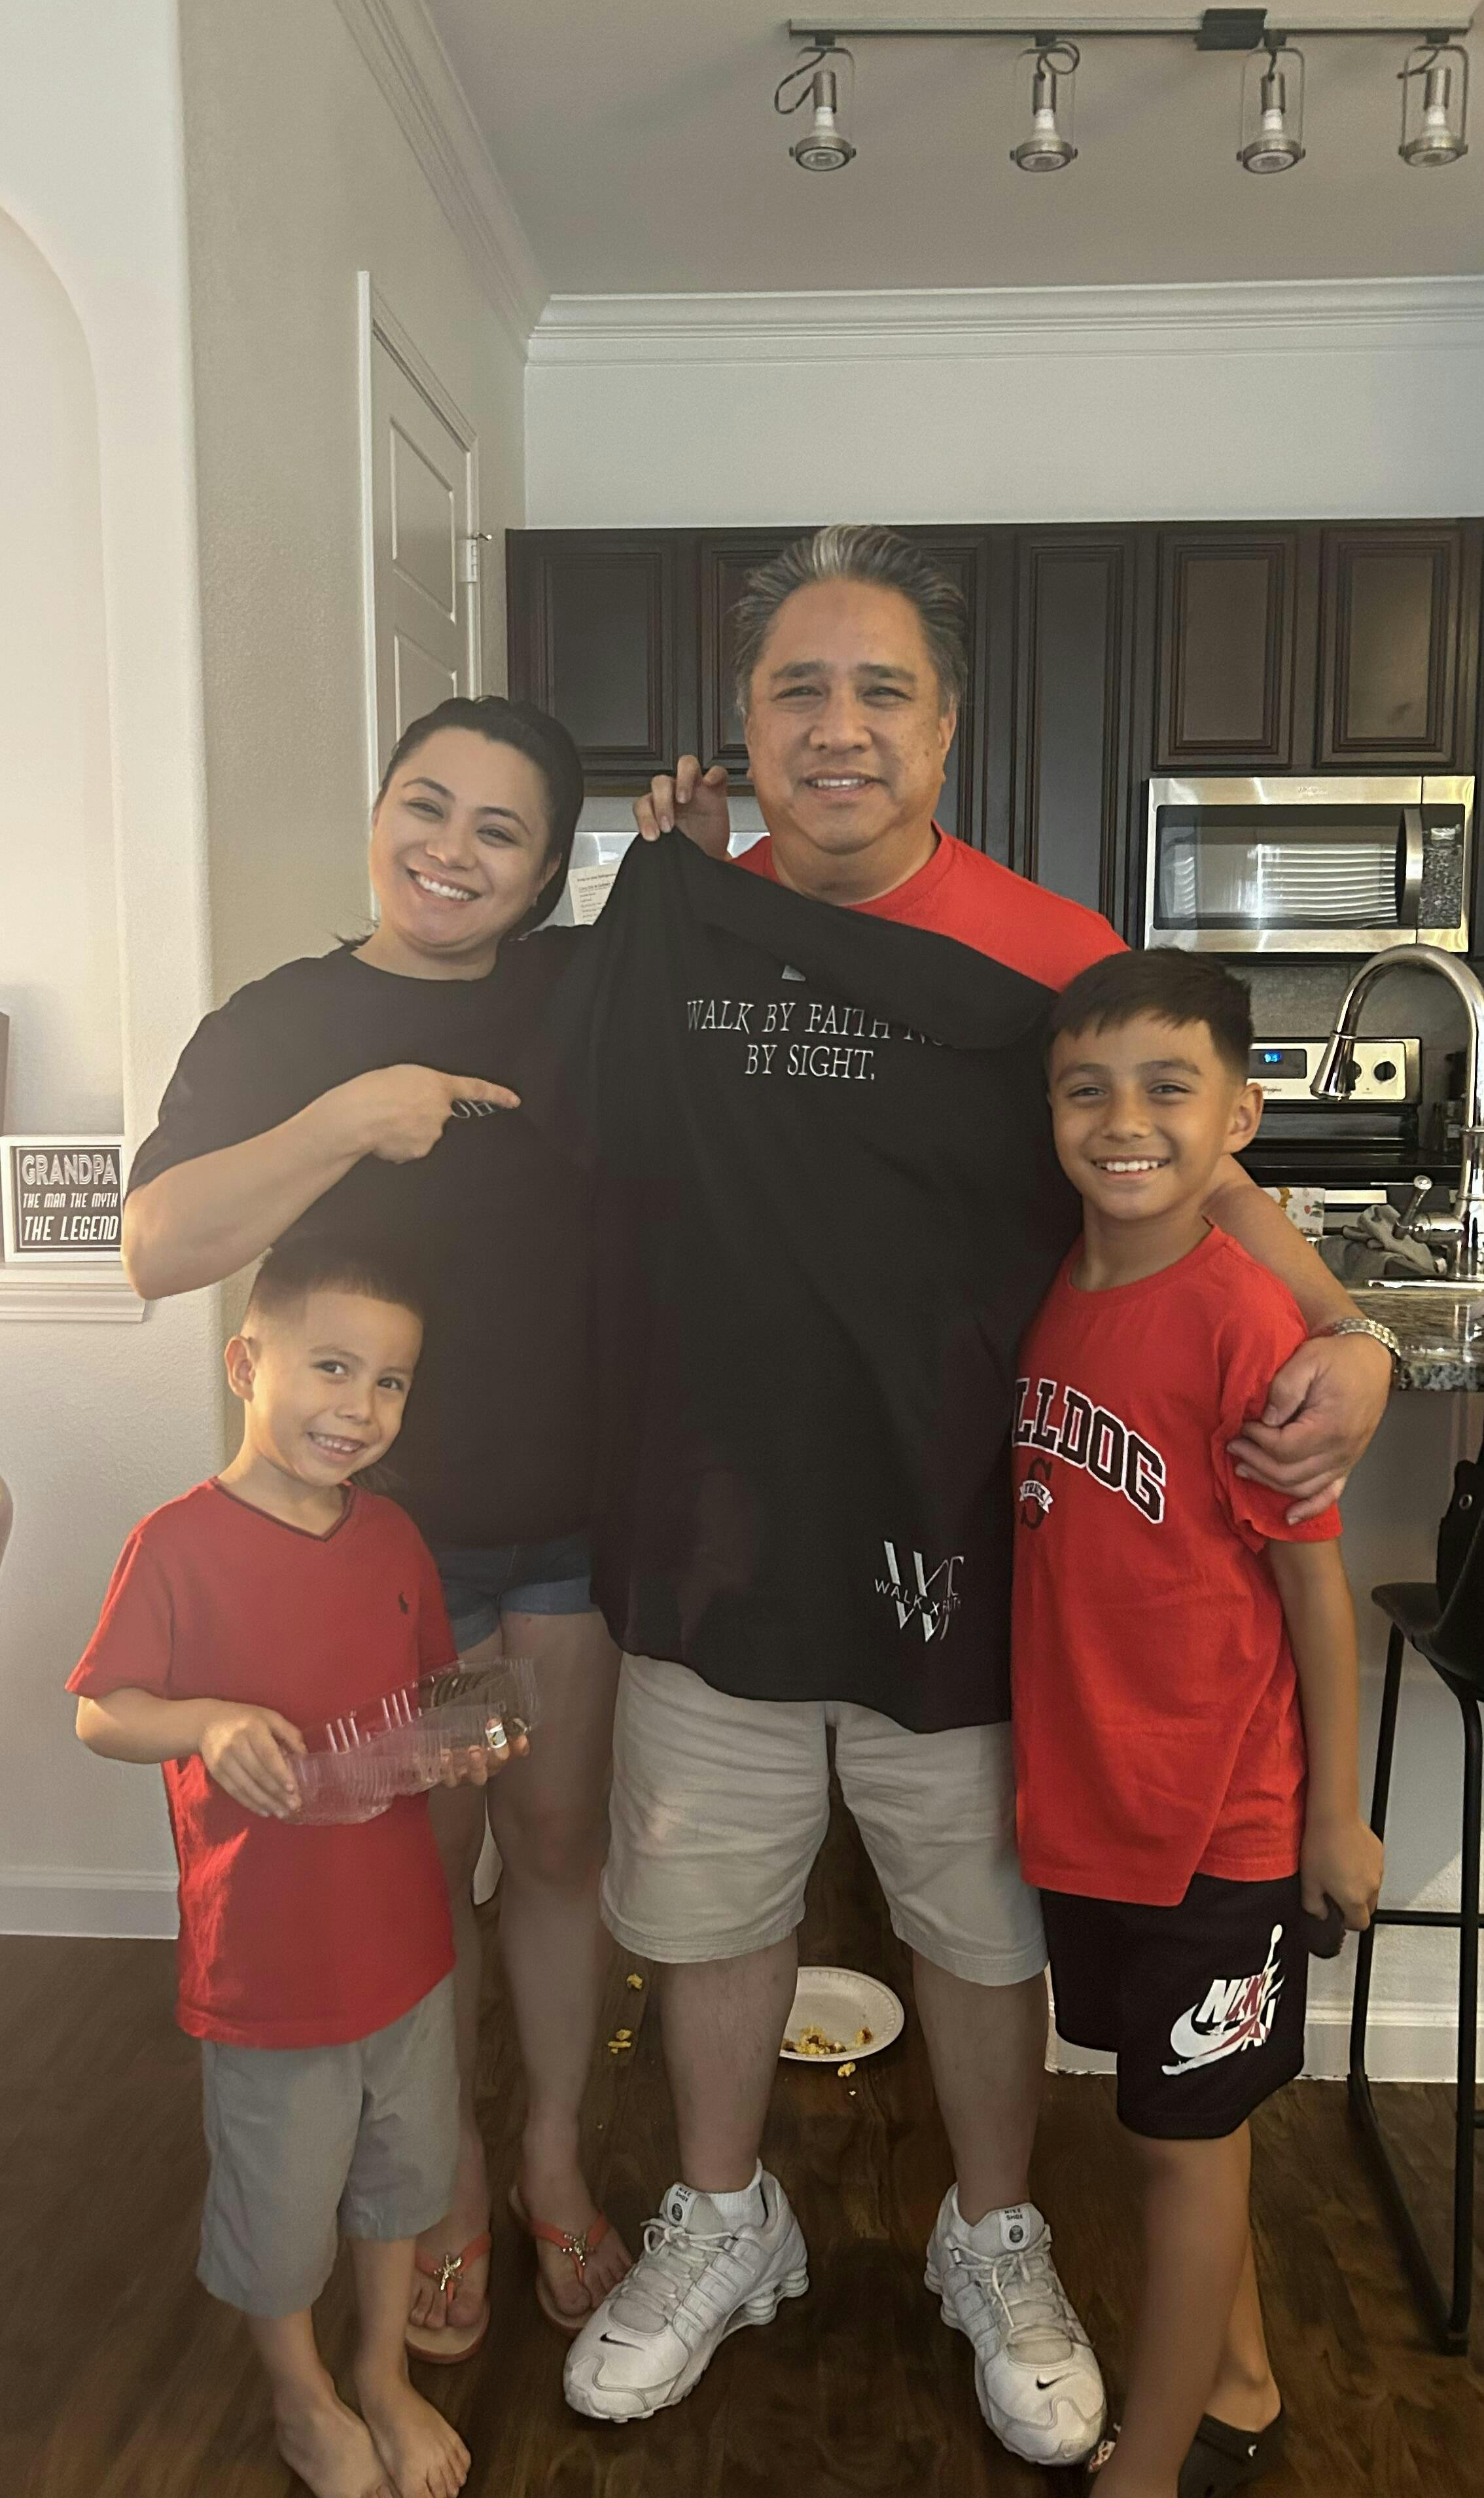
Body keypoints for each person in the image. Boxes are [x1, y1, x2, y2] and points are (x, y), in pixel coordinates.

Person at [553, 527, 1395, 2460]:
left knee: (976, 1926)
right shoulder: (681, 915)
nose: (836, 727)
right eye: (797, 688)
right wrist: (653, 872)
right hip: (712, 1532)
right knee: (707, 1912)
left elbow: (1190, 1165)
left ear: (946, 730)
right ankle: (720, 2216)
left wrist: (1346, 1331)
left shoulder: (1044, 951)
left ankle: (994, 2234)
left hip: (973, 1550)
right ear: (742, 723)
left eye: (882, 692)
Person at [121, 697, 631, 2352]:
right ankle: (451, 2181)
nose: (451, 851)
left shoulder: (575, 993)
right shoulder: (282, 1023)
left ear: (545, 875)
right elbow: (155, 1246)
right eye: (426, 804)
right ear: (377, 813)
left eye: (500, 830)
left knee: (555, 1846)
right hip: (391, 1550)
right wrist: (350, 1114)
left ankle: (550, 2154)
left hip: (570, 1521)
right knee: (430, 1866)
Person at [1014, 948, 1384, 2497]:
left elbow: (1317, 1595)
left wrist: (1335, 1817)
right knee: (1170, 2125)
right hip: (1094, 1807)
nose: (1125, 1123)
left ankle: (1152, 2466)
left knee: (1181, 2149)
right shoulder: (1063, 1283)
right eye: (1087, 1090)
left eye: (1170, 1090)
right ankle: (1236, 2381)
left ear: (1240, 1119)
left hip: (1222, 1826)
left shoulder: (1242, 1320)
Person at [68, 1240, 510, 2498]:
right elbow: (102, 1710)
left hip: (403, 1948)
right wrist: (206, 1722)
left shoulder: (396, 1538)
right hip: (266, 1968)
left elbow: (438, 1692)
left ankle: (380, 2370)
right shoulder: (175, 1545)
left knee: (404, 2176)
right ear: (245, 1365)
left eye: (391, 1382)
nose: (360, 1407)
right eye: (331, 1368)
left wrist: (472, 1734)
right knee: (279, 2202)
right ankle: (301, 2394)